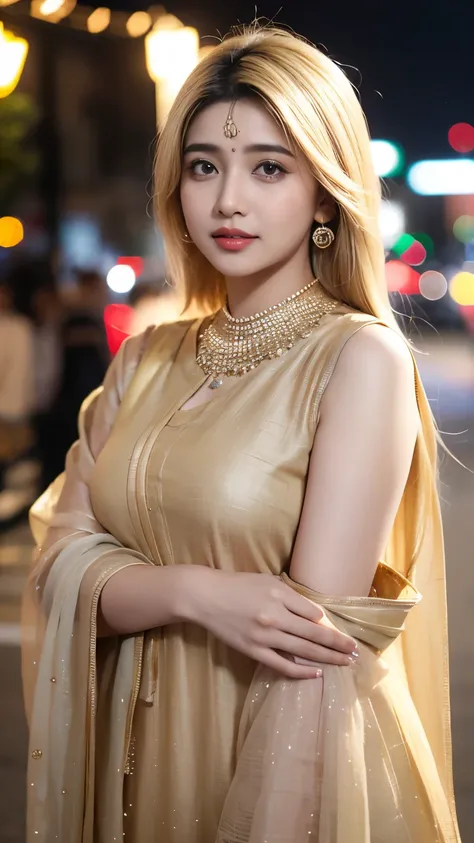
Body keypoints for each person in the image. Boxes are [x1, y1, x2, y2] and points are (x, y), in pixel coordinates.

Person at [22, 26, 462, 843]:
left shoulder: (357, 358)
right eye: (203, 166)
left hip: (274, 762)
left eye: (268, 166)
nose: (228, 199)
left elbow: (313, 667)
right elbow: (56, 566)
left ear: (325, 191)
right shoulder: (146, 358)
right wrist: (201, 594)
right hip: (130, 751)